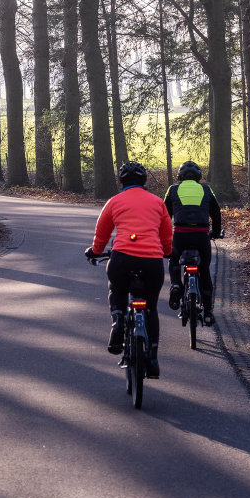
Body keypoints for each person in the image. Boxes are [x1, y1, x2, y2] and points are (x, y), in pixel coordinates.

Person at [85, 161, 172, 378]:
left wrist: (95, 251)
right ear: (144, 181)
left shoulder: (114, 201)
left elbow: (102, 233)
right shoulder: (157, 202)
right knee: (150, 308)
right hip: (152, 261)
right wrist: (168, 251)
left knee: (117, 289)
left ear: (121, 181)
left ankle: (118, 320)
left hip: (122, 258)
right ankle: (152, 359)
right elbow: (167, 233)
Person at [165, 160, 221, 324]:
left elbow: (164, 214)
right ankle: (209, 312)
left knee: (173, 259)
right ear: (198, 176)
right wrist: (216, 233)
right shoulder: (206, 189)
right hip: (201, 236)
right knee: (204, 270)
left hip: (180, 235)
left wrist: (164, 234)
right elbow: (216, 213)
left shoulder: (173, 189)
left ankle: (176, 285)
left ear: (180, 176)